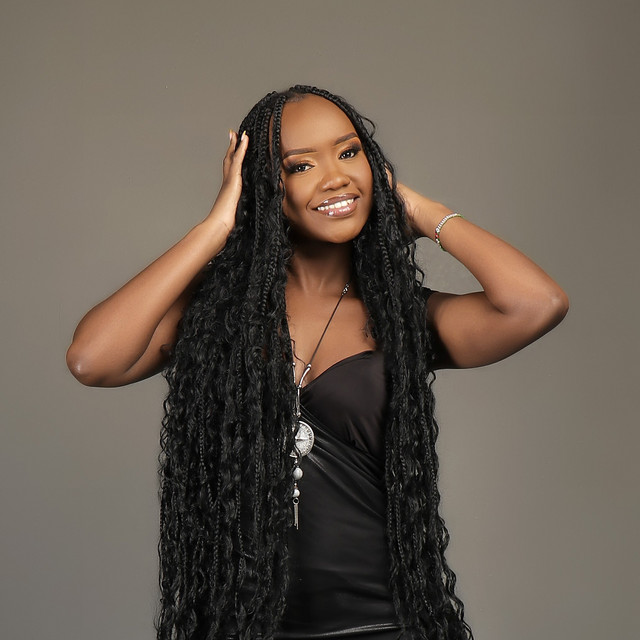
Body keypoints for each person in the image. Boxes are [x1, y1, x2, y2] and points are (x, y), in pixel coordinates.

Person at [66, 86, 568, 640]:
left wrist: (422, 211)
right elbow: (92, 359)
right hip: (243, 625)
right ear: (261, 186)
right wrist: (213, 230)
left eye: (350, 153)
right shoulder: (215, 317)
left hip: (386, 623)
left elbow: (536, 304)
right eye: (301, 165)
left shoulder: (403, 318)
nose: (335, 177)